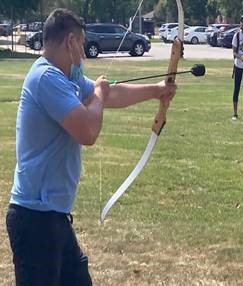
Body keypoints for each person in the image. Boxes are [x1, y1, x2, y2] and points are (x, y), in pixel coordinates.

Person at [6, 8, 176, 286]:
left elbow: (111, 94)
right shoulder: (45, 78)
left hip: (54, 217)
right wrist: (98, 94)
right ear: (71, 42)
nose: (84, 53)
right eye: (82, 44)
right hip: (35, 219)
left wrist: (157, 90)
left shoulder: (65, 79)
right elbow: (87, 130)